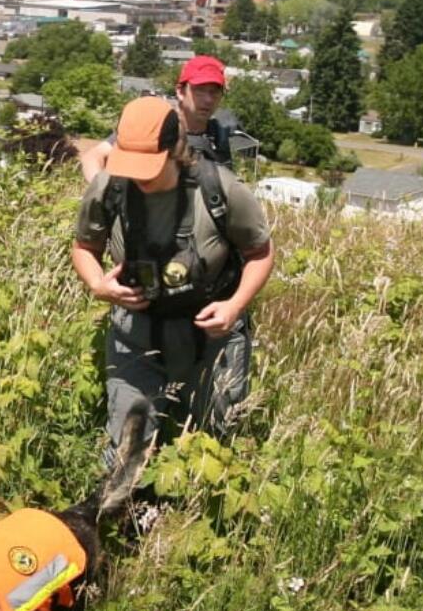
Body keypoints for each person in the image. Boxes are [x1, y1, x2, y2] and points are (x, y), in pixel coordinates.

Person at [72, 95, 274, 462]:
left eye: (148, 164)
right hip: (136, 334)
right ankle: (120, 509)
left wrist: (234, 306)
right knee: (126, 448)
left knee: (211, 446)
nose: (137, 175)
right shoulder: (109, 188)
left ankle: (184, 514)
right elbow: (84, 246)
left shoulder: (220, 190)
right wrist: (98, 284)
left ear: (175, 147)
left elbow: (260, 252)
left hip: (212, 337)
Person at [81, 54, 233, 182]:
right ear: (180, 91)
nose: (208, 99)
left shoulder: (220, 136)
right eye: (200, 90)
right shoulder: (156, 124)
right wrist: (104, 192)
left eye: (214, 92)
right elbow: (93, 157)